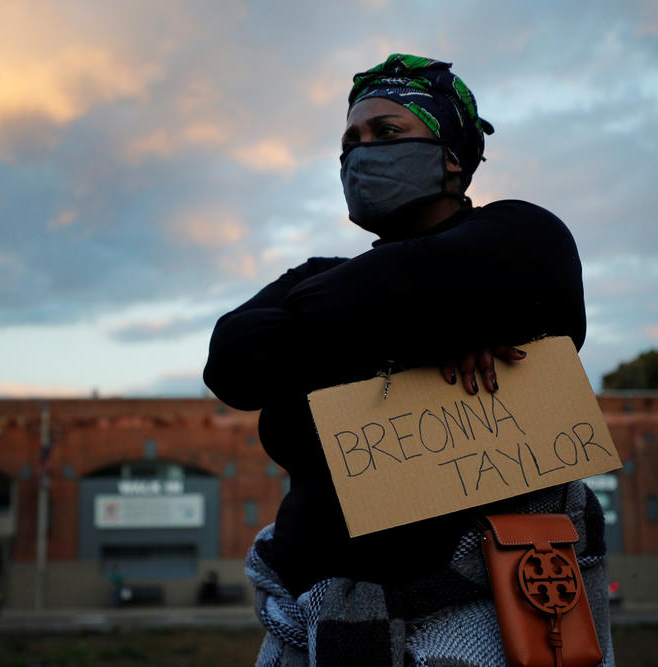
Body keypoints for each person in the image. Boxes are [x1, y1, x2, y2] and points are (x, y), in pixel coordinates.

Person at [204, 54, 613, 665]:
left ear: (451, 153)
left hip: (478, 621)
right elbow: (233, 360)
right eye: (350, 140)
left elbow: (499, 280)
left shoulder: (523, 233)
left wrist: (343, 334)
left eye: (386, 133)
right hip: (308, 621)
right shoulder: (320, 276)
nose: (360, 152)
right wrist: (430, 327)